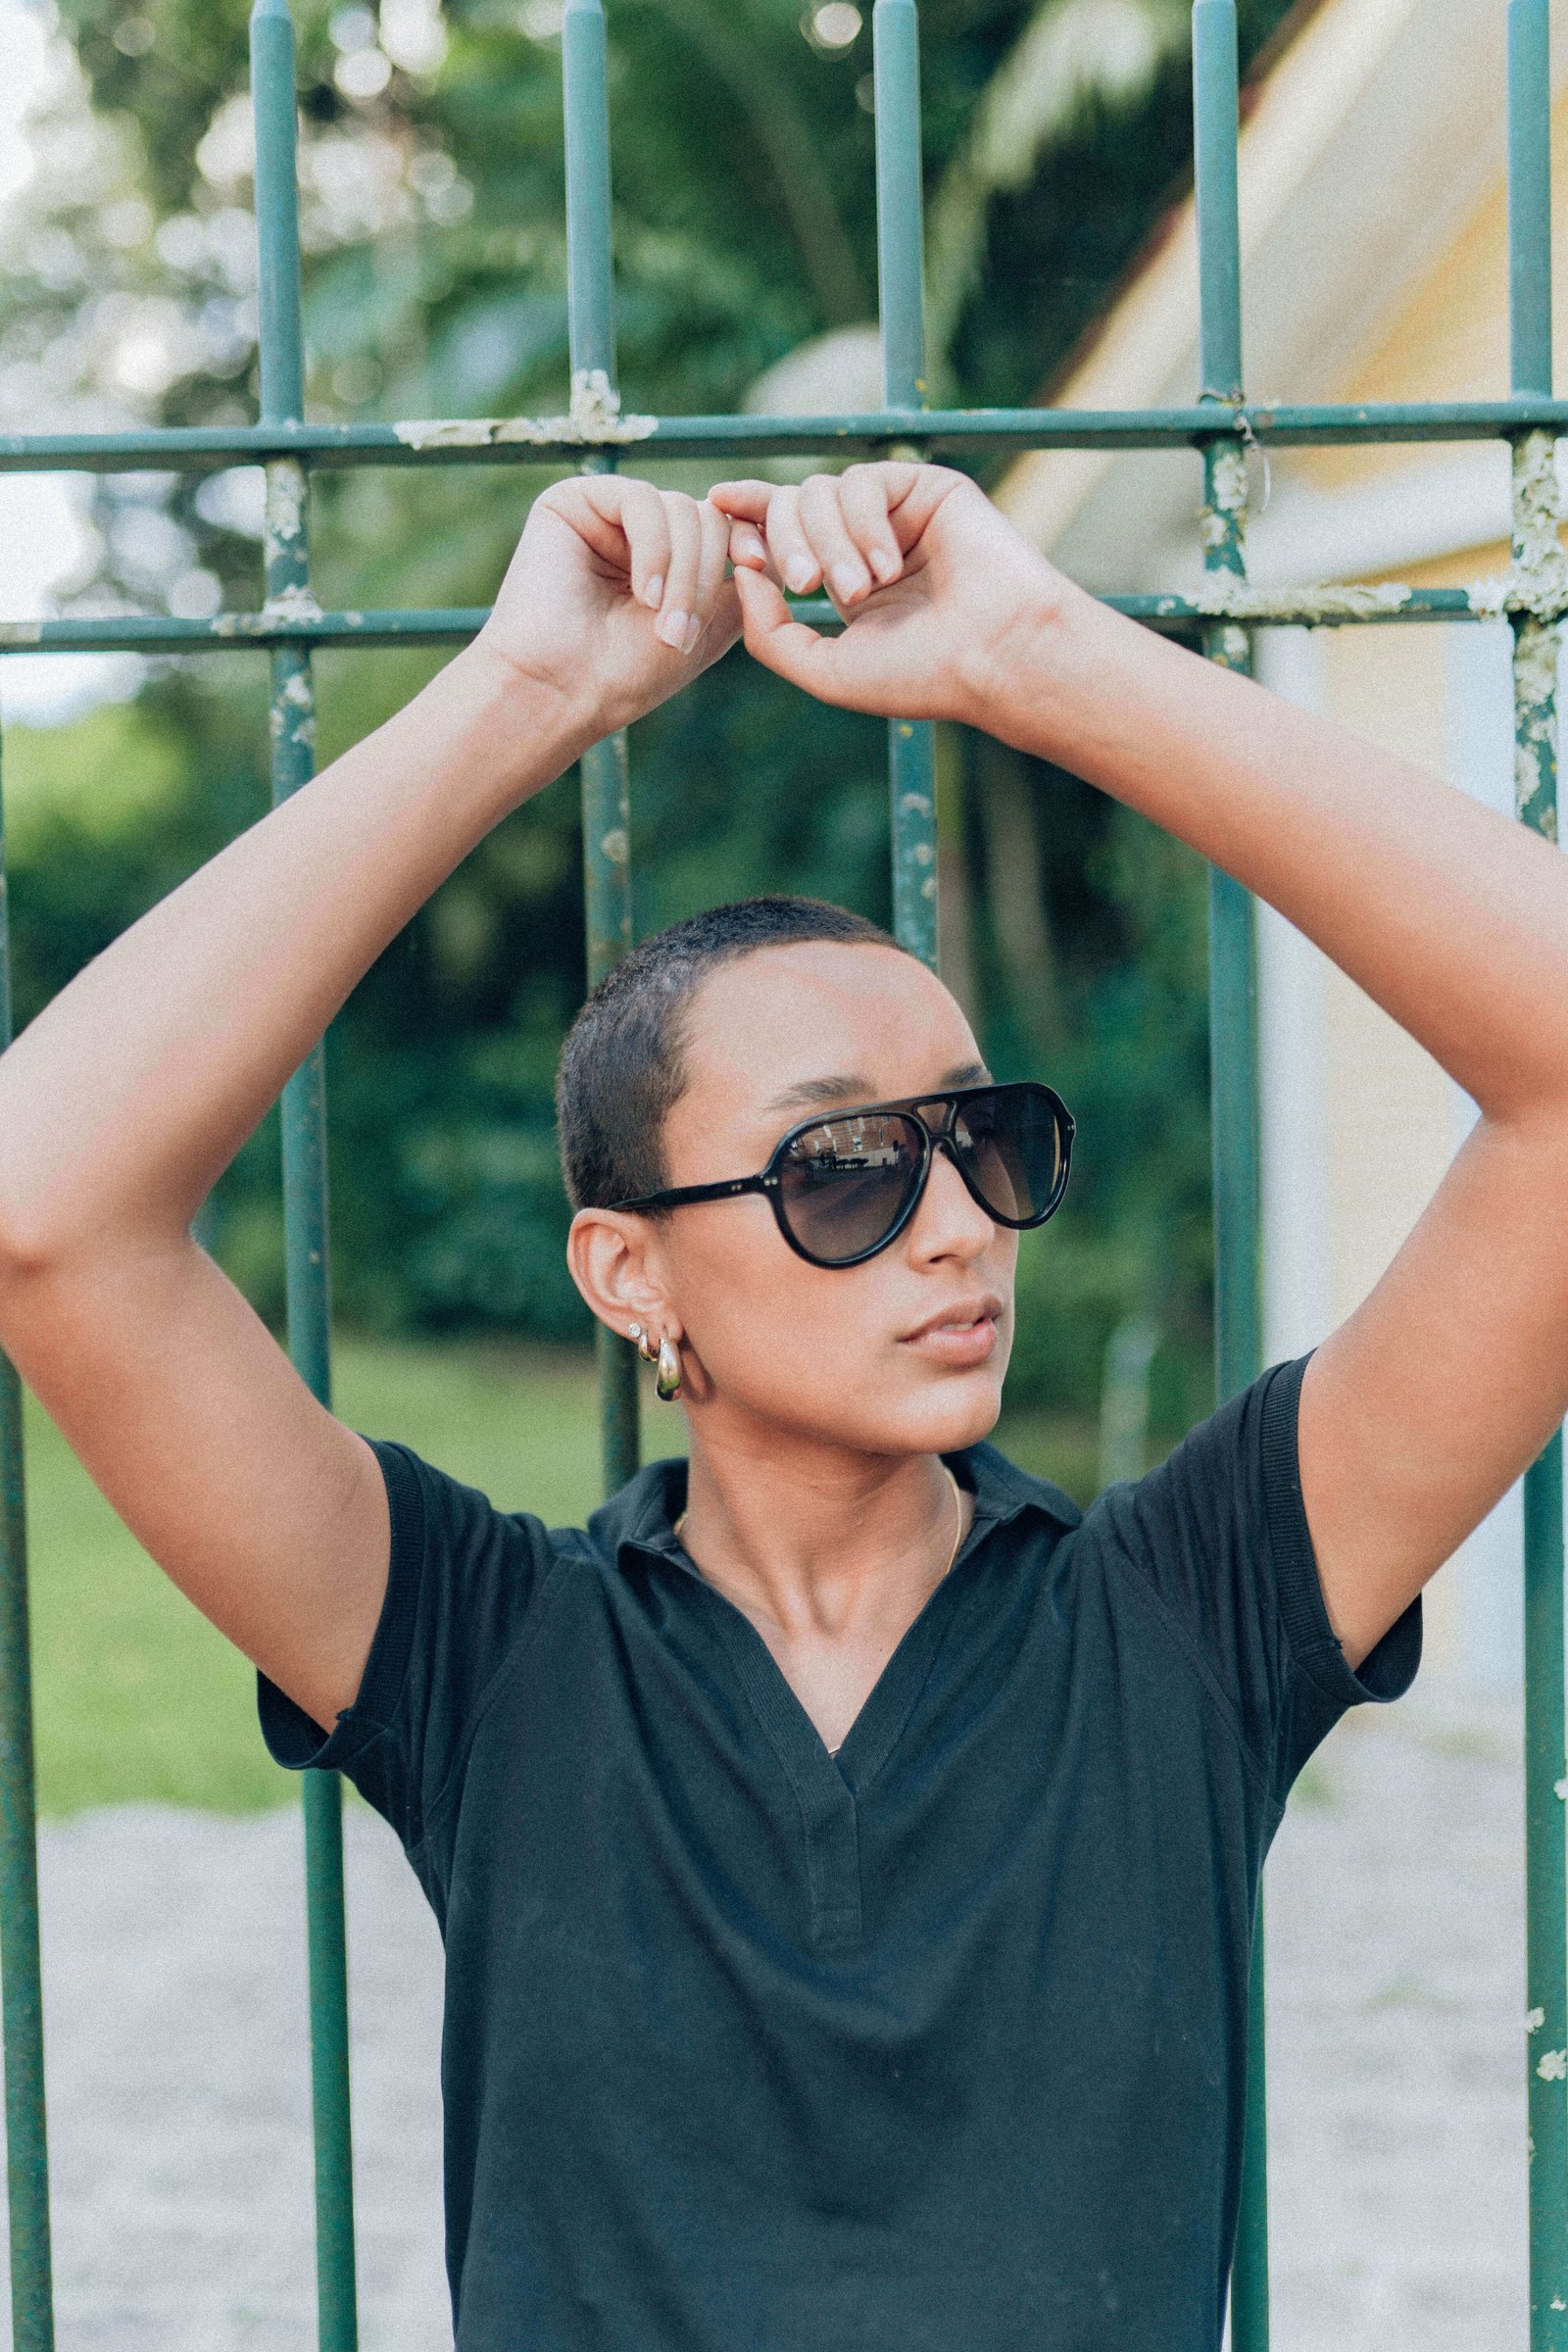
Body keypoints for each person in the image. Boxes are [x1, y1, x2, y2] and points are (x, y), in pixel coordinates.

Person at [0, 456, 1561, 2350]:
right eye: (844, 1168)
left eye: (988, 1143)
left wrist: (1040, 652)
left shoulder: (1187, 1610)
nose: (956, 1232)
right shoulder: (481, 1655)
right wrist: (526, 698)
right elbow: (48, 1213)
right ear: (627, 1272)